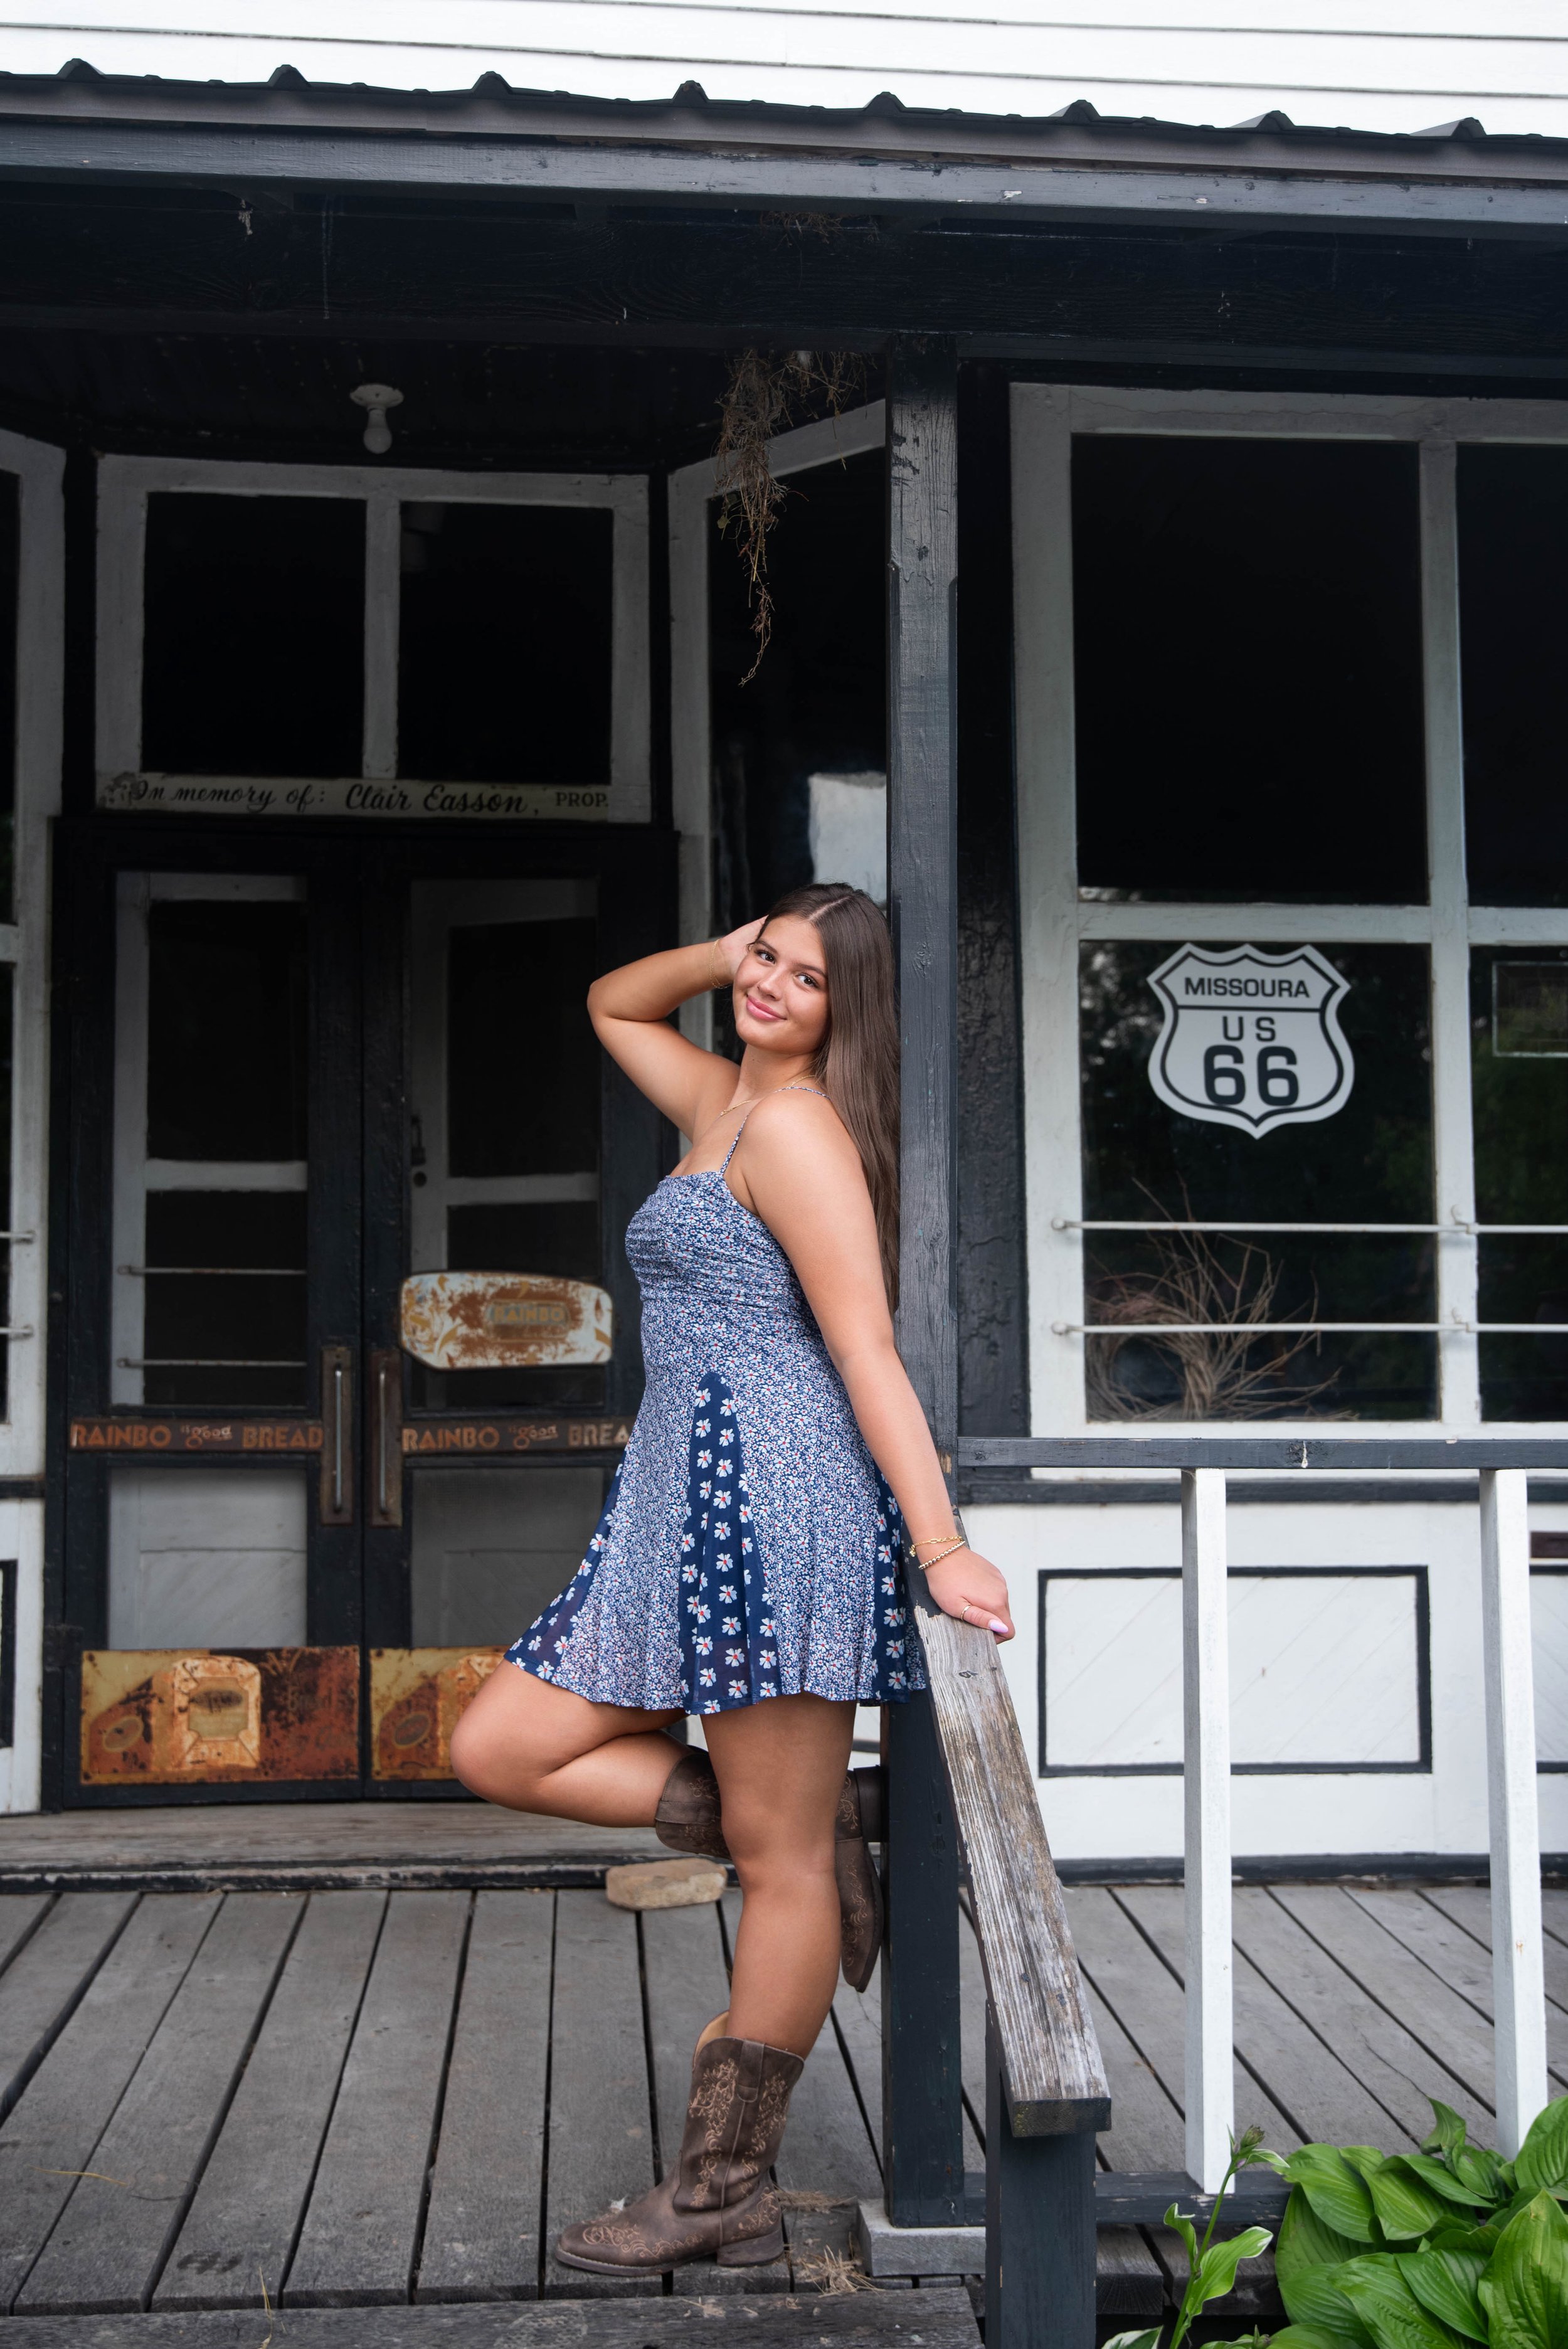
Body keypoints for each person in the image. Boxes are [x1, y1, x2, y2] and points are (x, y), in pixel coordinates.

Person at [451, 882, 1014, 2277]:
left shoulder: (802, 1132)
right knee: (499, 1744)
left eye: (806, 977)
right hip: (676, 1500)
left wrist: (938, 1545)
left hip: (775, 1502)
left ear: (845, 1014)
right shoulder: (720, 1095)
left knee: (770, 1869)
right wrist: (735, 953)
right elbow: (608, 1000)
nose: (768, 983)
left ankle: (720, 2186)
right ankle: (819, 1828)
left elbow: (866, 1350)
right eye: (765, 953)